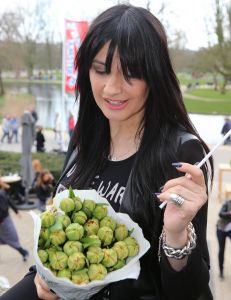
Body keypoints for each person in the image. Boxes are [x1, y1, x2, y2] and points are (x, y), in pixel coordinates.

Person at [1, 4, 214, 300]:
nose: (112, 88)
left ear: (154, 76)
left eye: (130, 74)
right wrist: (42, 275)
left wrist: (177, 235)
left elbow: (189, 292)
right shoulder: (84, 140)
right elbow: (55, 237)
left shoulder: (182, 151)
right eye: (100, 70)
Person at [0, 179, 29, 262]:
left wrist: (16, 211)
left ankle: (24, 252)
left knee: (11, 239)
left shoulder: (1, 193)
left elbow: (6, 205)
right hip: (3, 220)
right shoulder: (2, 192)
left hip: (3, 221)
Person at [216, 198, 231, 279]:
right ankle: (221, 271)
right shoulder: (227, 203)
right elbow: (220, 214)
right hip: (221, 229)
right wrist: (229, 213)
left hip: (230, 230)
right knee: (221, 249)